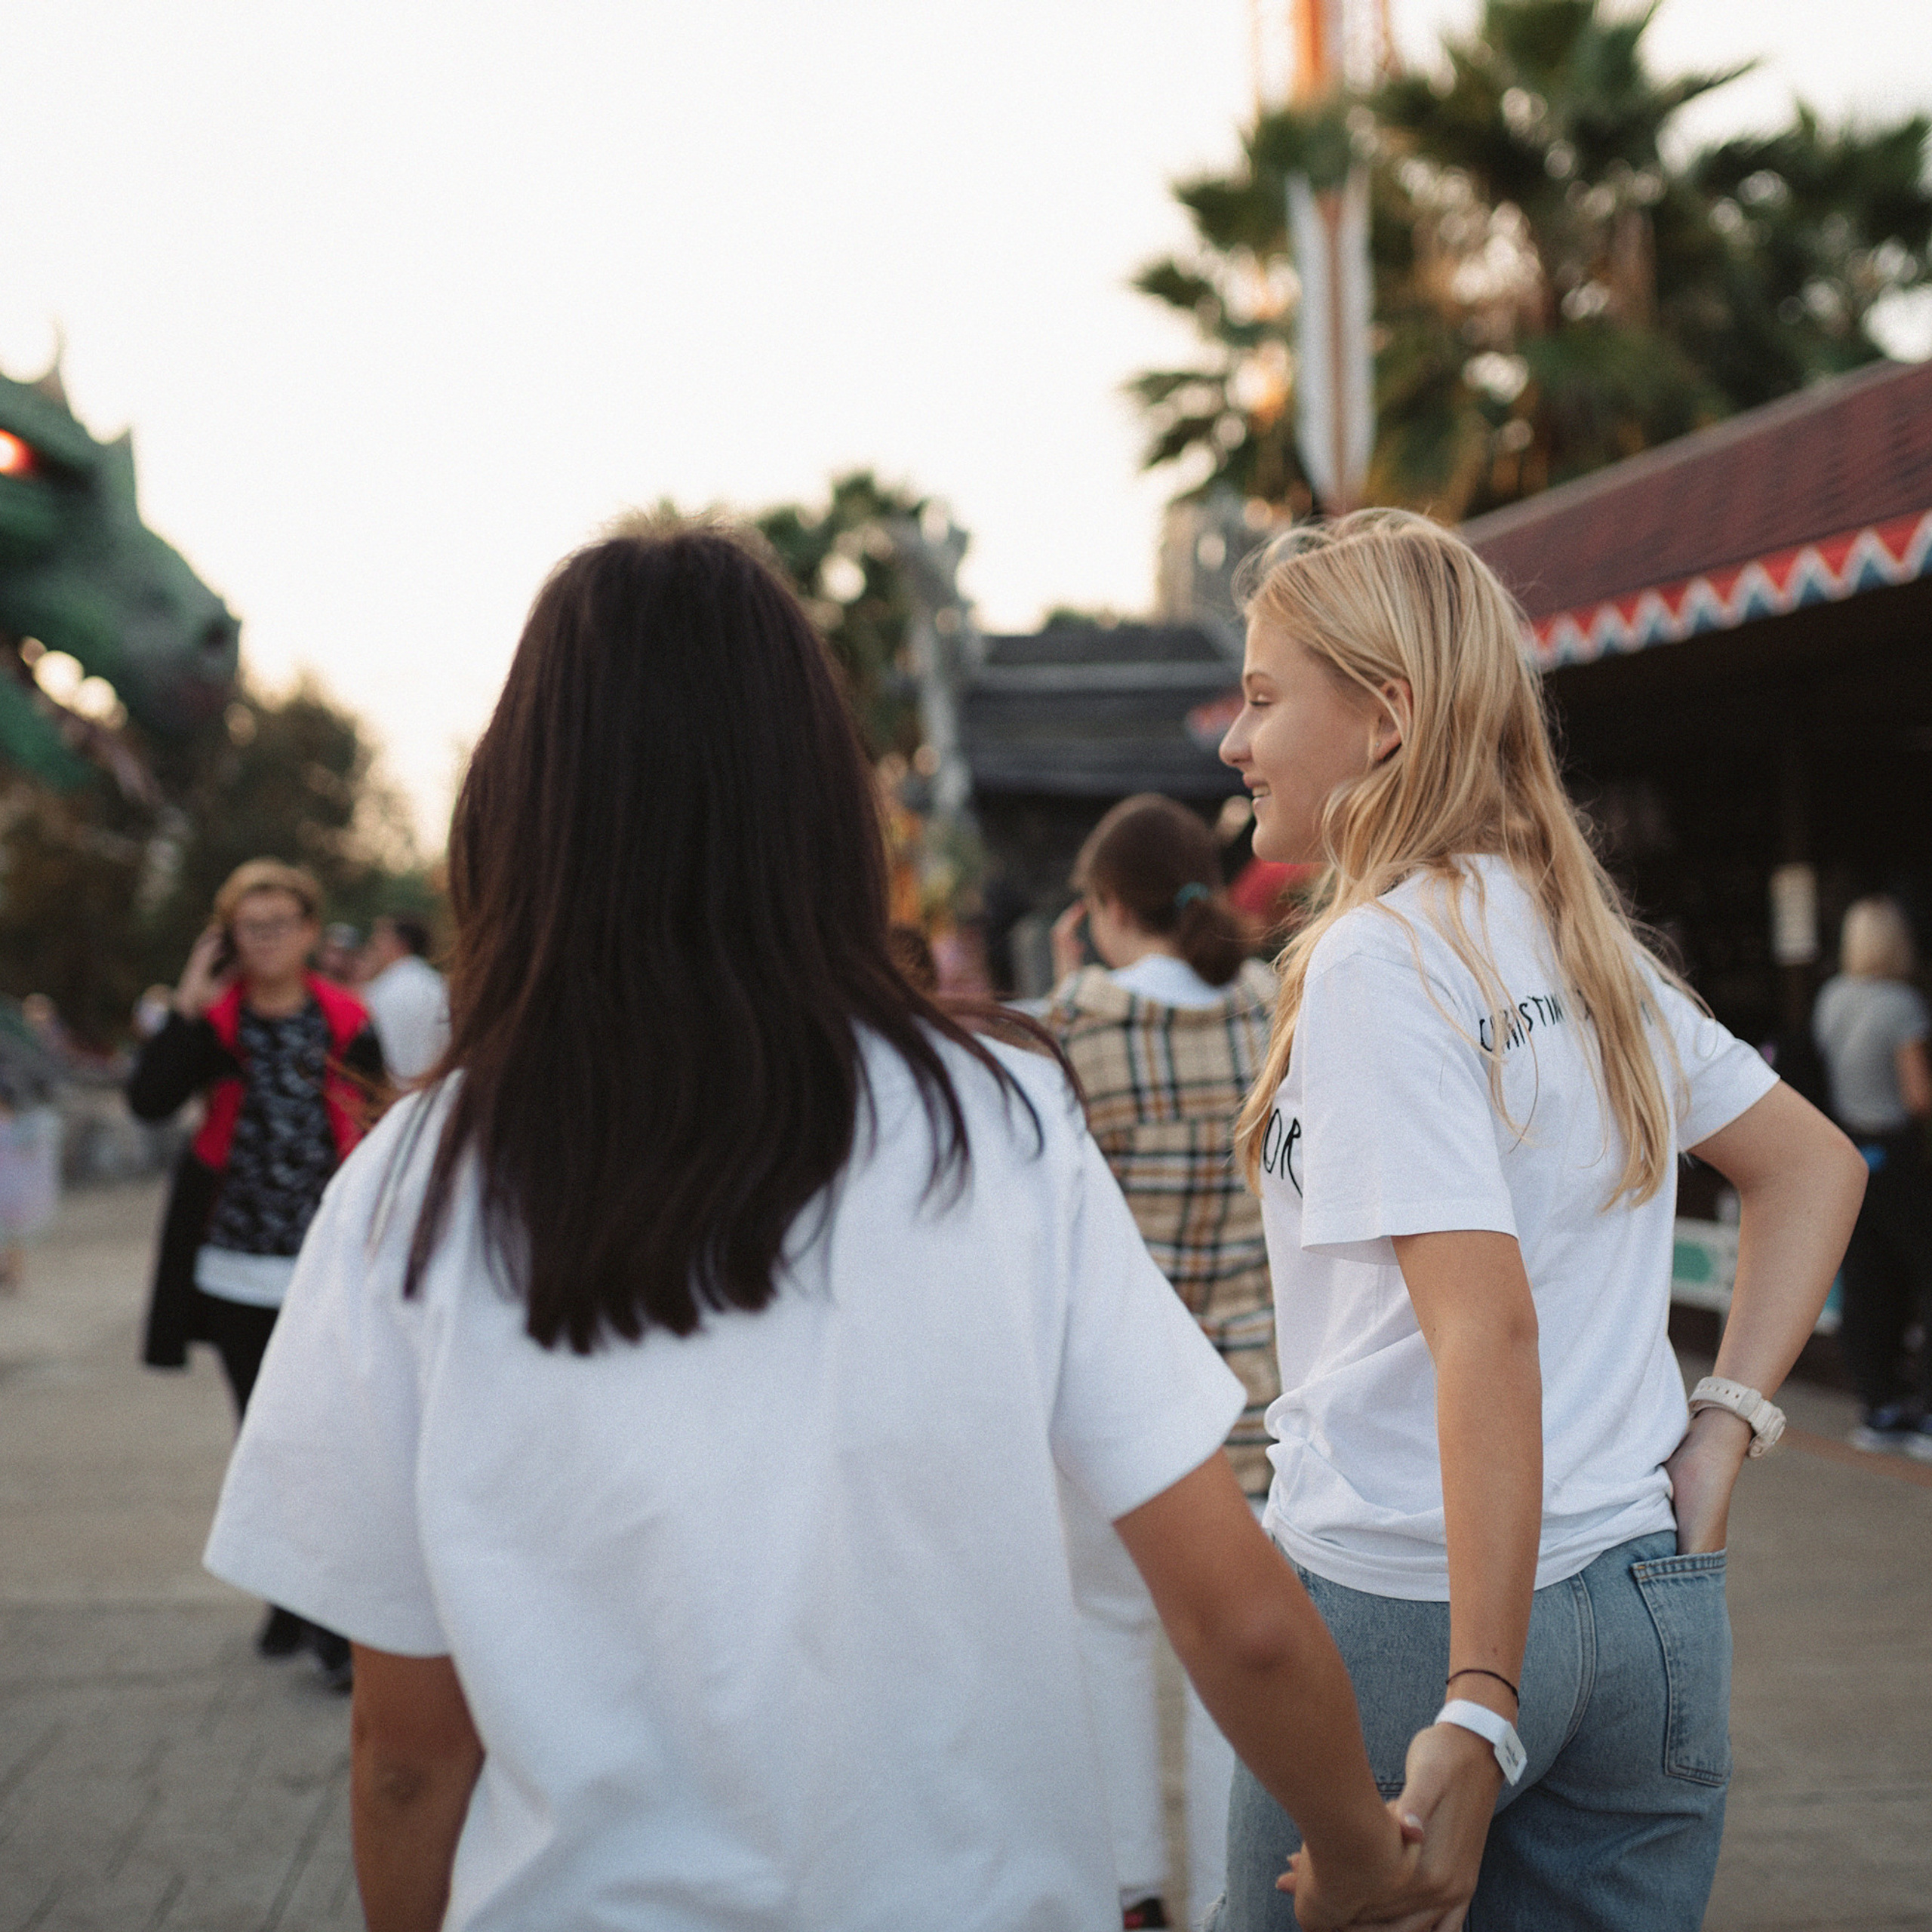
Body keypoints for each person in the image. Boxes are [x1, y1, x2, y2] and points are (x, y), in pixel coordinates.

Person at [202, 521, 1438, 1932]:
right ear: (822, 808)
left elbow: (408, 1757)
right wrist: (1363, 1853)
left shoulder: (413, 1189)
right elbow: (1241, 1617)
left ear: (520, 812)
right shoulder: (995, 1124)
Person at [1212, 510, 1866, 1931]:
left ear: (1386, 715)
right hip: (1641, 1597)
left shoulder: (1384, 958)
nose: (1235, 743)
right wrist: (1722, 1430)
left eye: (1262, 699)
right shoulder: (1571, 934)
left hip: (1418, 1612)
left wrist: (1481, 1701)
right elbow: (1816, 1165)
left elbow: (1485, 1332)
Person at [1044, 792, 1277, 1930]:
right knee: (1227, 1660)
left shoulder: (1072, 1027)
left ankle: (1132, 1891)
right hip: (1253, 1395)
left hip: (1107, 1400)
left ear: (1102, 905)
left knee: (1105, 1627)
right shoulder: (1275, 1009)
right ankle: (1234, 1896)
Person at [128, 859, 386, 1688]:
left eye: (280, 923)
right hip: (235, 1263)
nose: (266, 939)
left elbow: (381, 1126)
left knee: (327, 1438)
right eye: (250, 926)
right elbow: (148, 1101)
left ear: (310, 931)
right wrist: (188, 1001)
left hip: (325, 1263)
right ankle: (296, 1604)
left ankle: (322, 1615)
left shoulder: (350, 1022)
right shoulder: (214, 1024)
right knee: (266, 1436)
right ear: (227, 937)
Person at [1812, 897, 1932, 1456]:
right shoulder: (1902, 1005)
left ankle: (1878, 1404)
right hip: (1897, 1155)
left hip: (1851, 1152)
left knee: (1866, 1279)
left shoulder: (1832, 998)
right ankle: (1925, 1409)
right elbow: (1918, 1096)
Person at [359, 914, 451, 1082]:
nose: (374, 943)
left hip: (392, 1087)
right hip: (434, 1084)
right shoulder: (440, 986)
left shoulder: (379, 991)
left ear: (399, 944)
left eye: (381, 938)